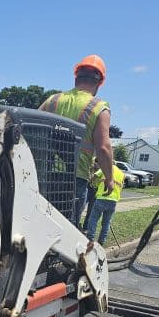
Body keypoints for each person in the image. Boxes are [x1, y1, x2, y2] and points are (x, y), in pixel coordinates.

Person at [40, 55, 114, 226]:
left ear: (76, 78)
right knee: (66, 229)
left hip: (45, 175)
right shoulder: (99, 107)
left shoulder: (53, 100)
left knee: (41, 224)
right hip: (74, 179)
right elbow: (103, 148)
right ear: (99, 83)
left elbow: (31, 129)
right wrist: (109, 179)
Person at [86, 162, 125, 245]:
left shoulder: (105, 169)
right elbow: (121, 186)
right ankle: (101, 241)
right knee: (106, 223)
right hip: (113, 201)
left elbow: (93, 177)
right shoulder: (121, 173)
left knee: (93, 219)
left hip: (102, 198)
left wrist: (92, 181)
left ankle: (90, 238)